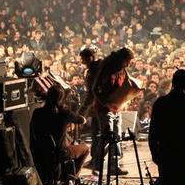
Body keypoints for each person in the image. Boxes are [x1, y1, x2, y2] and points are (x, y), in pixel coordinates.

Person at [86, 47, 136, 175]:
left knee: (117, 137)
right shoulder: (106, 68)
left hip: (116, 107)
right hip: (104, 108)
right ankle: (97, 164)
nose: (129, 64)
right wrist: (107, 103)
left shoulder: (121, 69)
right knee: (106, 137)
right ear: (122, 59)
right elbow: (95, 88)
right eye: (128, 61)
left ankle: (114, 166)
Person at [31, 84, 89, 178]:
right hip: (60, 153)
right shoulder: (65, 113)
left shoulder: (37, 112)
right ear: (61, 98)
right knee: (85, 149)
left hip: (41, 152)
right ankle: (71, 178)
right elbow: (81, 120)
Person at [77, 47, 102, 171]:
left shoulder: (94, 72)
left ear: (90, 58)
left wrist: (81, 113)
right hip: (98, 107)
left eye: (83, 60)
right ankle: (95, 160)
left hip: (100, 107)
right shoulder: (96, 69)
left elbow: (90, 95)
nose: (82, 62)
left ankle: (97, 161)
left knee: (98, 134)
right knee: (95, 133)